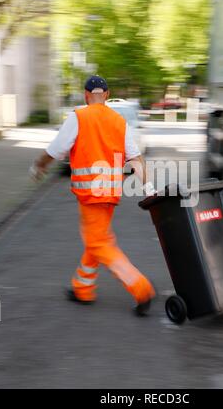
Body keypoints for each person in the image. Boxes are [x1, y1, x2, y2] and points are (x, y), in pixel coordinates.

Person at [31, 76, 156, 315]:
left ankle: (141, 288)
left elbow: (55, 150)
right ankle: (82, 288)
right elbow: (135, 158)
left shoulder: (79, 116)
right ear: (107, 95)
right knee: (96, 240)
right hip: (110, 193)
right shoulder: (119, 121)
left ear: (86, 95)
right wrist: (148, 187)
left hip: (90, 194)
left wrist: (39, 166)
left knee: (98, 243)